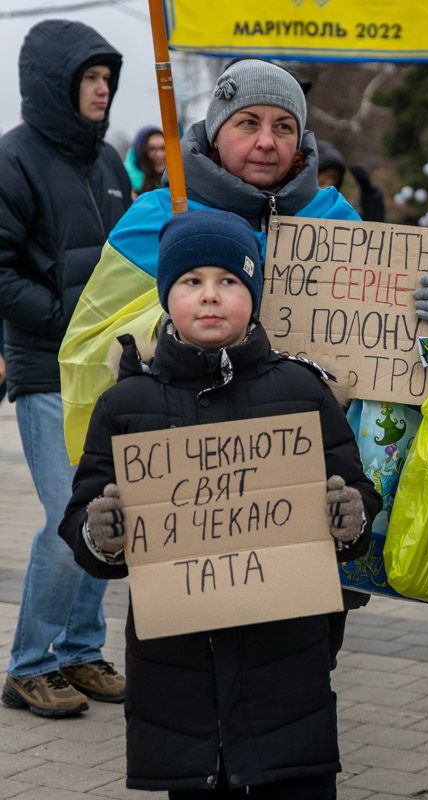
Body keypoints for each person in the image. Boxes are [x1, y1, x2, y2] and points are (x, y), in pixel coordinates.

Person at [58, 57, 428, 662]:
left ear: (302, 140)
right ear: (217, 132)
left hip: (303, 496)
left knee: (299, 677)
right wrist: (166, 329)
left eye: (283, 126)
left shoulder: (338, 223)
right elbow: (86, 352)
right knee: (187, 683)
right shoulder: (157, 219)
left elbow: (392, 363)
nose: (267, 141)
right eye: (248, 122)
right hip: (190, 503)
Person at [58, 209, 381, 798]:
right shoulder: (125, 404)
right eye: (191, 281)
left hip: (287, 671)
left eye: (229, 281)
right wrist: (98, 534)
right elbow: (81, 519)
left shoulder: (301, 391)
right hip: (181, 684)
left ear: (254, 295)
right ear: (166, 296)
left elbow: (356, 492)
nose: (210, 296)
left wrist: (350, 515)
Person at [0, 19, 130, 718]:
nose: (103, 89)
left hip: (102, 372)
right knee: (62, 522)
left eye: (108, 78)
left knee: (102, 514)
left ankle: (80, 651)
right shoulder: (11, 160)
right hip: (47, 372)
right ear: (58, 84)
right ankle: (27, 665)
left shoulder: (107, 162)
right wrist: (64, 320)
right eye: (90, 77)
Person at [317, 138, 386, 222]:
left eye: (334, 177)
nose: (329, 183)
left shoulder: (338, 212)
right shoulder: (297, 205)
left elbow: (367, 231)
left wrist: (370, 196)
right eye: (322, 176)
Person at [124, 125, 166, 198]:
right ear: (141, 153)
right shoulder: (127, 187)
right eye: (152, 149)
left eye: (163, 148)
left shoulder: (180, 183)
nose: (159, 154)